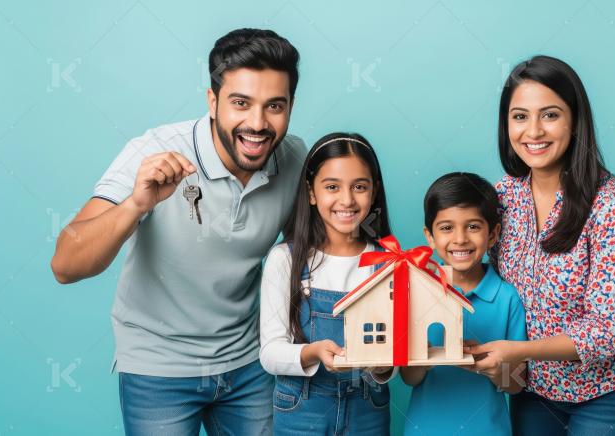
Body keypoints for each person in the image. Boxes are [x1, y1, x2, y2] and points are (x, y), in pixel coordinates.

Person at [50, 28, 306, 435]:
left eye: (274, 106)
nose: (257, 124)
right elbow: (65, 264)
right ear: (212, 101)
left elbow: (309, 257)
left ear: (291, 106)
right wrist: (137, 204)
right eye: (241, 103)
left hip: (248, 363)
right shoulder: (154, 150)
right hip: (159, 367)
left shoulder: (294, 159)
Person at [466, 55, 615, 436]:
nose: (533, 131)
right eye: (520, 116)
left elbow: (608, 330)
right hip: (533, 388)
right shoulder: (502, 196)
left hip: (607, 390)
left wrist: (518, 352)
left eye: (549, 115)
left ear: (574, 122)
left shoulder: (612, 206)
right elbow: (475, 272)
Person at [259, 133, 394, 435]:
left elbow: (394, 351)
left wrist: (384, 367)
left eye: (359, 187)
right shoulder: (286, 259)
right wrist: (313, 352)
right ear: (311, 192)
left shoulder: (389, 262)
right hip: (300, 410)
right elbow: (269, 353)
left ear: (373, 193)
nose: (347, 200)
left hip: (367, 408)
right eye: (332, 187)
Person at [401, 172, 527, 435]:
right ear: (430, 237)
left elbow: (516, 384)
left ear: (492, 235)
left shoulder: (507, 298)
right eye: (447, 228)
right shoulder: (418, 292)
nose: (460, 239)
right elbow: (409, 378)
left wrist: (492, 368)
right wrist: (423, 357)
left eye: (473, 226)